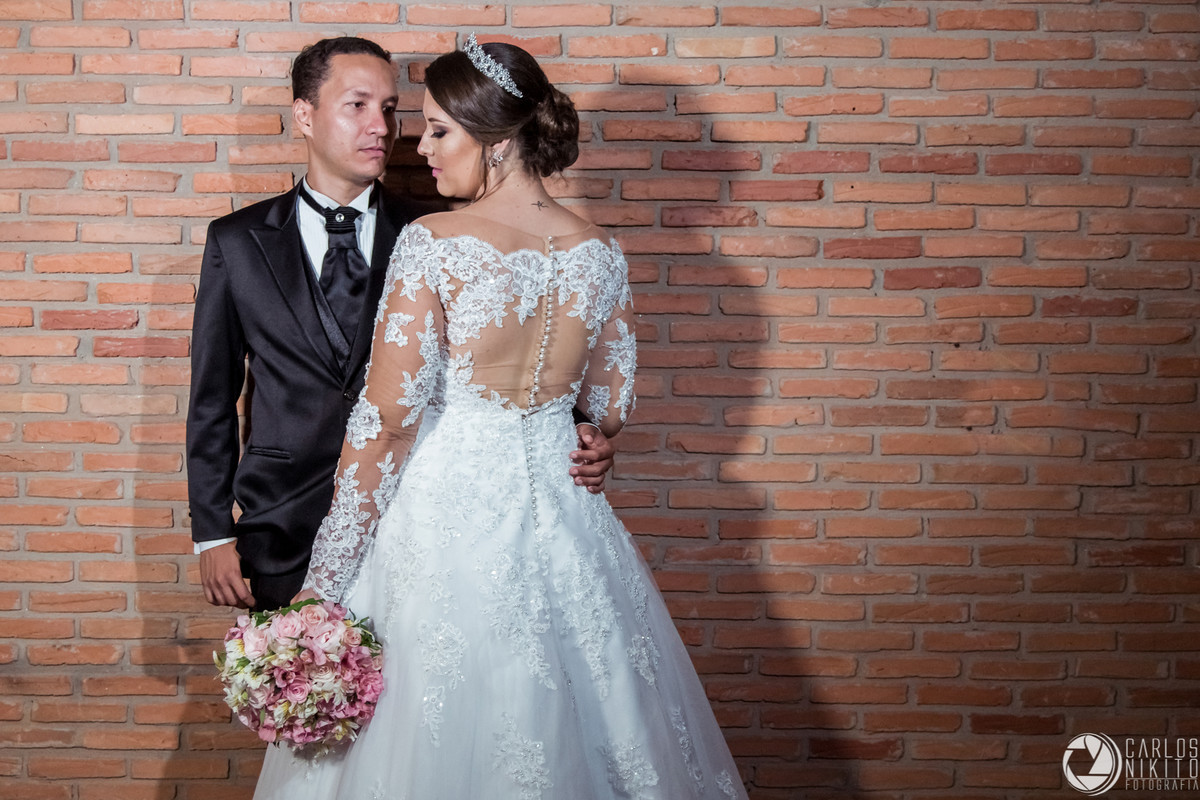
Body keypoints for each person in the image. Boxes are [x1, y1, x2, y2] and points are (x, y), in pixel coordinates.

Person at [253, 35, 746, 800]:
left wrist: (322, 588)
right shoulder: (600, 254)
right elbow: (612, 407)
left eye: (440, 130)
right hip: (564, 512)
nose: (423, 147)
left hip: (443, 515)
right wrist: (588, 438)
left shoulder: (433, 245)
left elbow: (386, 421)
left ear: (499, 138)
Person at [187, 36, 615, 613]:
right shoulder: (236, 243)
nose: (383, 128)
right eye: (357, 105)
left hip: (421, 517)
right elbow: (212, 398)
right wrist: (213, 531)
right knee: (295, 694)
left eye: (390, 109)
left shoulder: (438, 231)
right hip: (280, 520)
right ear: (304, 115)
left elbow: (512, 354)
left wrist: (580, 434)